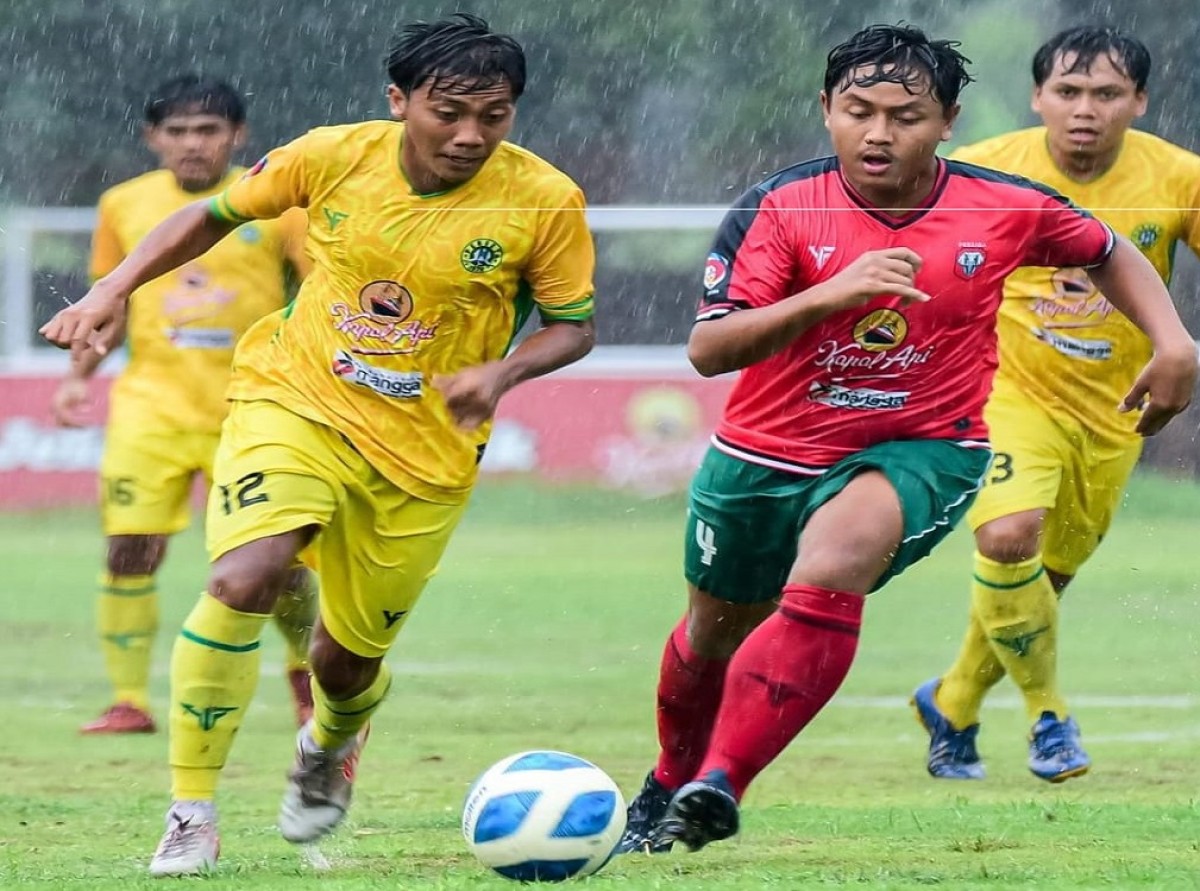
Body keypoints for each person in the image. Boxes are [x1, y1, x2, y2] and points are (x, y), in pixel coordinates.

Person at [615, 23, 1196, 856]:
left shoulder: (999, 204)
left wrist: (1174, 341)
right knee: (714, 628)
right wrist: (830, 295)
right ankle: (671, 778)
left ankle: (722, 781)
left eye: (906, 115)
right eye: (860, 111)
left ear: (948, 120)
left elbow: (1106, 250)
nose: (880, 133)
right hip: (764, 454)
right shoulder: (780, 207)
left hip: (926, 444)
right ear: (827, 110)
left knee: (836, 562)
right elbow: (712, 349)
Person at [40, 13, 596, 877]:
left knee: (345, 660)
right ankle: (191, 809)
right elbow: (213, 215)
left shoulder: (544, 199)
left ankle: (328, 743)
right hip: (295, 398)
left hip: (426, 451)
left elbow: (573, 326)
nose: (469, 134)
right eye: (448, 110)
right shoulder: (333, 153)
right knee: (242, 575)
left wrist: (503, 372)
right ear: (398, 100)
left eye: (494, 115)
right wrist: (113, 289)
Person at [911, 26, 1200, 783]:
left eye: (1106, 94)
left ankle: (954, 701)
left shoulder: (1179, 179)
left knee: (1042, 581)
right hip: (1001, 390)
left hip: (1117, 412)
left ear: (1137, 101)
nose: (1085, 110)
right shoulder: (980, 171)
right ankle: (1050, 717)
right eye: (1067, 92)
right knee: (1008, 538)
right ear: (1038, 96)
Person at [54, 74, 318, 736]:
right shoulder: (123, 204)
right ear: (153, 139)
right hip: (152, 408)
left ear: (238, 136)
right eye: (177, 132)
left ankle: (306, 678)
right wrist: (77, 374)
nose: (192, 145)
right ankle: (128, 700)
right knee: (129, 548)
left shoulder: (277, 205)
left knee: (276, 559)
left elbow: (321, 294)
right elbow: (108, 300)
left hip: (254, 407)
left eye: (207, 131)